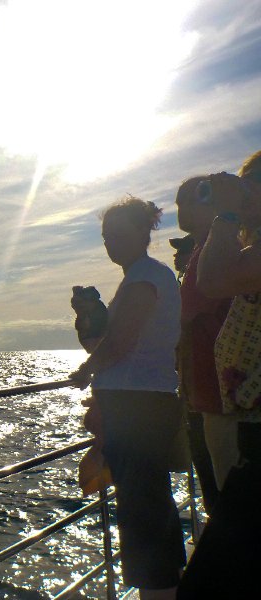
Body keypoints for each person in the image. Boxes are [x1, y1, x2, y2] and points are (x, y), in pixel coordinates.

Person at [70, 196, 185, 600]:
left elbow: (120, 343)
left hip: (138, 409)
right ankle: (165, 587)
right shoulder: (144, 276)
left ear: (143, 232)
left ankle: (158, 591)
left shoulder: (145, 278)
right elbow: (113, 344)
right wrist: (87, 320)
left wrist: (86, 371)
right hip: (140, 403)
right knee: (147, 502)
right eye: (105, 236)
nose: (110, 242)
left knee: (142, 508)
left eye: (118, 233)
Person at [177, 152, 261, 599]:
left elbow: (211, 284)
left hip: (243, 417)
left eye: (253, 182)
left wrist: (227, 211)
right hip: (235, 409)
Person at [174, 179, 238, 518]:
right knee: (217, 501)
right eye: (179, 201)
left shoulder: (216, 253)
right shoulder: (199, 255)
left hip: (219, 399)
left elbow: (184, 320)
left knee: (227, 506)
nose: (182, 207)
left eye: (194, 199)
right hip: (201, 396)